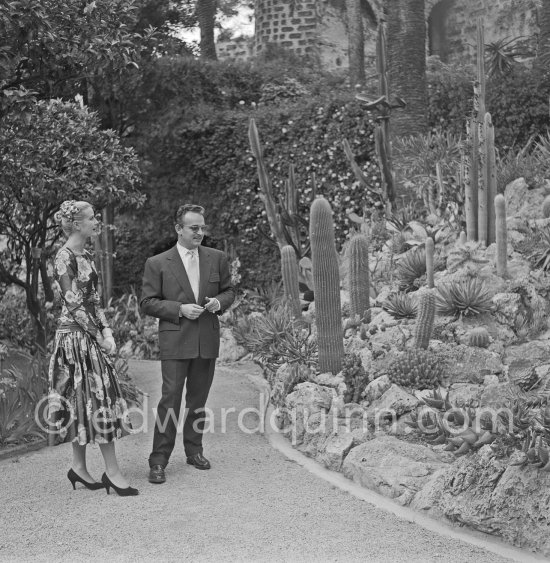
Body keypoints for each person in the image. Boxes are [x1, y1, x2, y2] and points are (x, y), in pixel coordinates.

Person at [140, 203, 235, 484]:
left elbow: (229, 290)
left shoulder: (216, 258)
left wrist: (219, 302)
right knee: (170, 400)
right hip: (175, 340)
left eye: (203, 227)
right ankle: (158, 460)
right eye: (194, 228)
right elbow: (147, 303)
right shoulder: (157, 263)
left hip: (206, 339)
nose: (200, 233)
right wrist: (179, 309)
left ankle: (194, 452)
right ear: (178, 229)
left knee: (198, 401)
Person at [48, 200, 138, 496]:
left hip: (88, 336)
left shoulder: (86, 255)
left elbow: (94, 300)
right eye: (92, 218)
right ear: (76, 224)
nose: (97, 221)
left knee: (86, 398)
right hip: (74, 340)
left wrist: (108, 330)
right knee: (95, 399)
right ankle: (111, 472)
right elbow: (72, 302)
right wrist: (99, 337)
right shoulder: (63, 257)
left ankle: (78, 467)